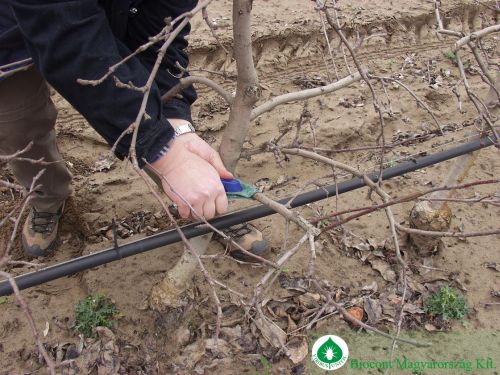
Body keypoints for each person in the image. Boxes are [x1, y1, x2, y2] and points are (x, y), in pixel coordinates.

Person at [0, 0, 268, 258]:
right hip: (9, 38)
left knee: (162, 129)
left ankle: (208, 204)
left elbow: (161, 41)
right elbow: (67, 40)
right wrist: (169, 158)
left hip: (103, 13)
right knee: (19, 129)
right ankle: (48, 199)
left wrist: (175, 126)